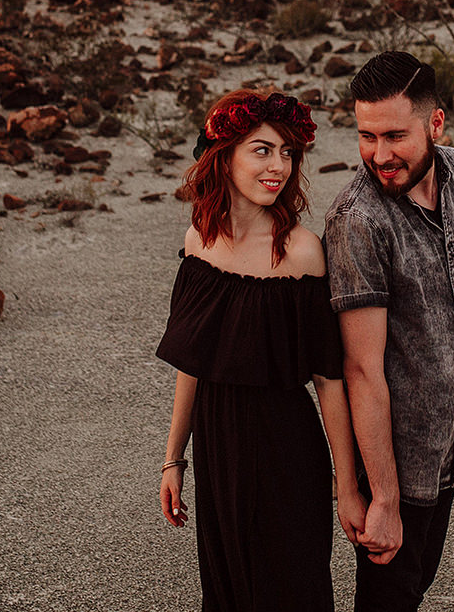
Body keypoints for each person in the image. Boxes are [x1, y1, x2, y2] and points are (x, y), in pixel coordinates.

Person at [156, 89, 365, 612]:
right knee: (227, 591)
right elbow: (193, 361)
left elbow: (328, 380)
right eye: (262, 150)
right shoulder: (198, 240)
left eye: (288, 153)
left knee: (294, 590)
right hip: (216, 445)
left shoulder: (303, 251)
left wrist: (347, 483)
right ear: (223, 157)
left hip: (287, 447)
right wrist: (172, 459)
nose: (279, 166)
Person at [324, 52, 454, 612]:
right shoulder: (358, 222)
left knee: (415, 589)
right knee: (389, 601)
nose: (379, 155)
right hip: (395, 462)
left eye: (394, 136)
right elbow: (361, 368)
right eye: (366, 136)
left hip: (447, 445)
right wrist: (381, 497)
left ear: (435, 123)